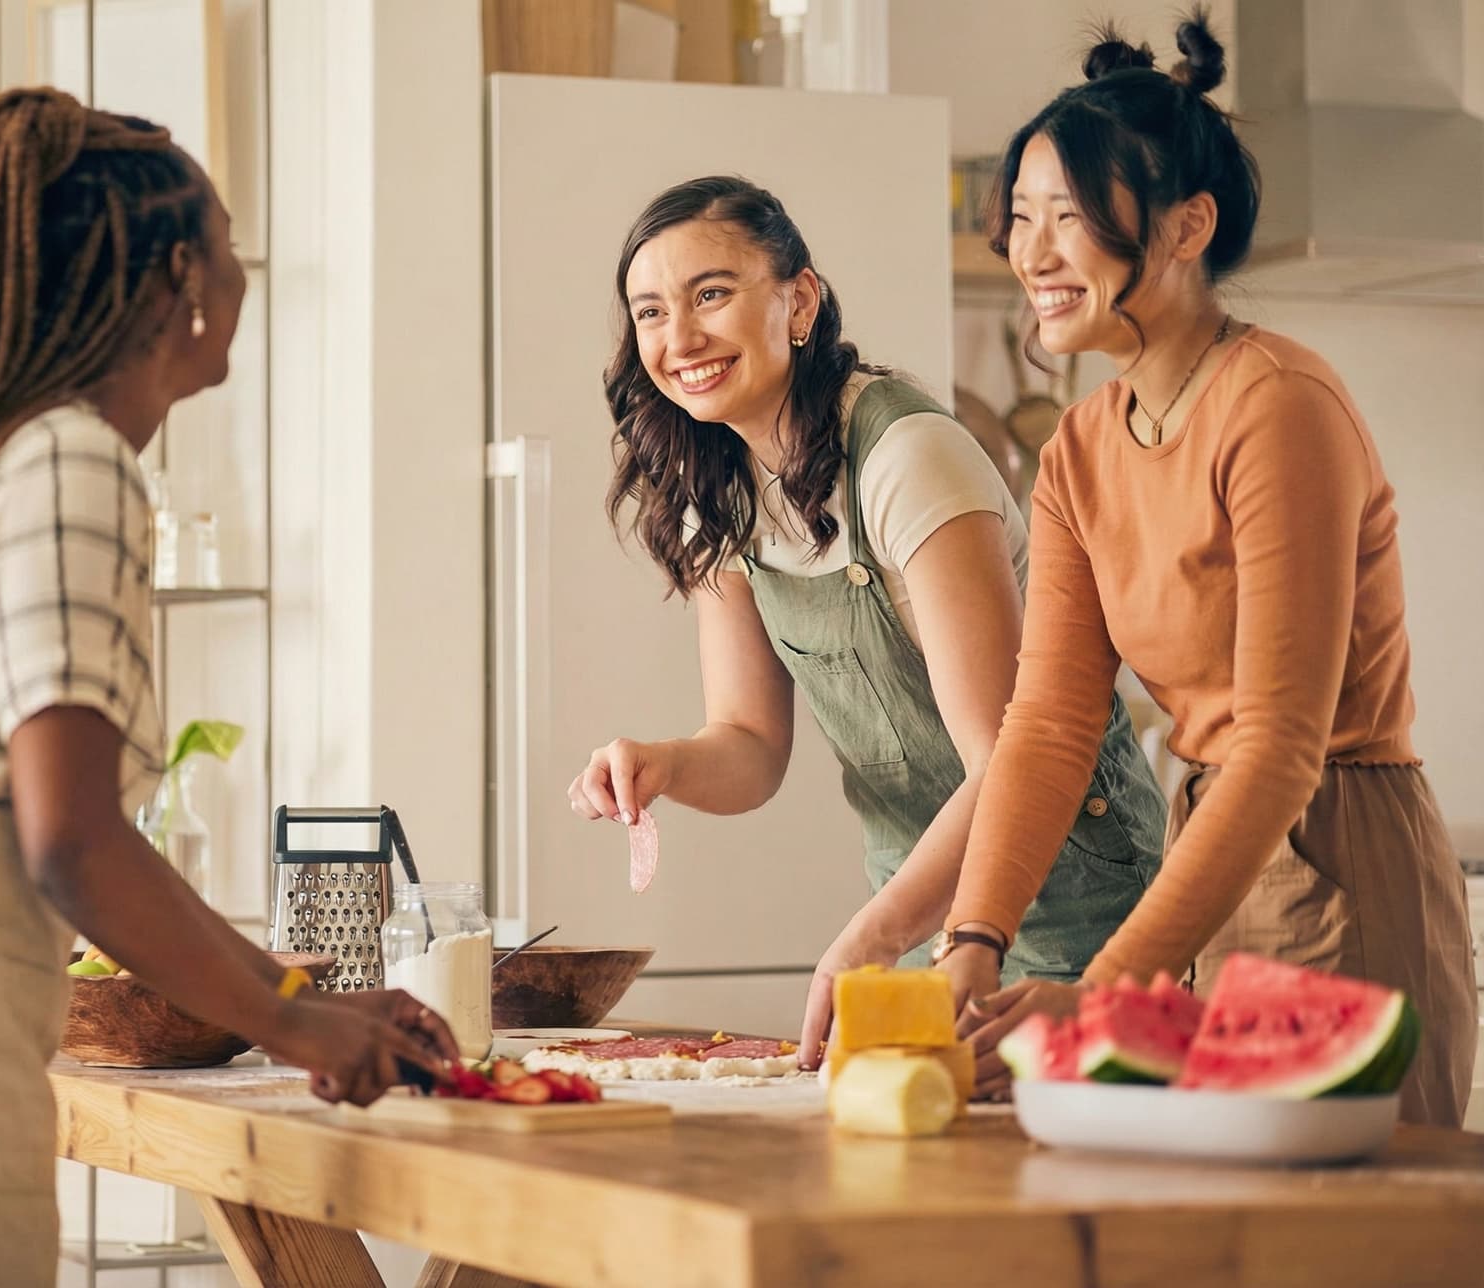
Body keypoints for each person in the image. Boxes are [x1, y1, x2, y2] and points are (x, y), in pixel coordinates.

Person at [0, 89, 455, 1287]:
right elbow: (78, 842)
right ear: (179, 279)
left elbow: (78, 837)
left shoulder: (3, 449)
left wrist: (307, 993)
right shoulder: (73, 459)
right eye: (226, 238)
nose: (243, 269)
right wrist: (294, 1025)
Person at [938, 15, 1476, 1125]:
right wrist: (971, 939)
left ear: (1188, 228)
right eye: (1022, 218)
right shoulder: (1079, 449)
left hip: (1338, 846)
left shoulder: (1278, 407)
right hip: (1205, 859)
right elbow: (1046, 724)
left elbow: (1278, 749)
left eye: (1072, 219)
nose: (1033, 254)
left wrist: (1095, 995)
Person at [565, 176, 1166, 1069]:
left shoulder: (904, 459)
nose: (679, 338)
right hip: (928, 922)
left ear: (799, 300)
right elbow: (750, 744)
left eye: (712, 295)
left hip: (1080, 901)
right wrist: (666, 765)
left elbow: (1004, 758)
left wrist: (875, 934)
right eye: (650, 312)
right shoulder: (716, 488)